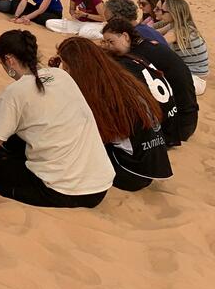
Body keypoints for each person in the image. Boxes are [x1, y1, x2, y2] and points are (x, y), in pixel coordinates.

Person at [0, 30, 115, 208]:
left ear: (9, 60)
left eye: (2, 63)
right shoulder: (62, 76)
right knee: (15, 144)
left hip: (60, 190)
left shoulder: (15, 92)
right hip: (99, 187)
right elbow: (42, 112)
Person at [53, 38, 172, 191]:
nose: (64, 70)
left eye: (66, 66)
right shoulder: (117, 78)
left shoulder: (99, 94)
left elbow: (97, 134)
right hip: (151, 165)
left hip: (128, 171)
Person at [101, 17, 198, 144]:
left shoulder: (136, 58)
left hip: (178, 125)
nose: (108, 46)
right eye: (105, 42)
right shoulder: (146, 46)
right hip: (187, 118)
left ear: (125, 36)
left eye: (111, 42)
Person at [157, 0, 208, 82]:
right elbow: (156, 32)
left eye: (163, 11)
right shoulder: (180, 25)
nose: (161, 14)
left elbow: (157, 43)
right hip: (192, 74)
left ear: (173, 14)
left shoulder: (180, 31)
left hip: (194, 78)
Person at [104, 0, 169, 46]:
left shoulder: (137, 36)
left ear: (119, 18)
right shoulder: (142, 29)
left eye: (109, 22)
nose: (109, 26)